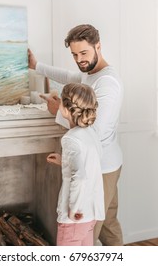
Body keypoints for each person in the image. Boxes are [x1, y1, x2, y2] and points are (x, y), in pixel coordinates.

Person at [28, 24, 124, 246]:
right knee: (109, 225)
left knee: (88, 233)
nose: (79, 59)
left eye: (84, 53)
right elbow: (70, 76)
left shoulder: (107, 83)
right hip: (101, 163)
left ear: (98, 46)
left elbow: (95, 132)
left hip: (101, 168)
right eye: (74, 54)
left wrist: (59, 113)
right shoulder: (91, 73)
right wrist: (37, 66)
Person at [46, 82, 104, 246]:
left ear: (65, 109)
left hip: (75, 219)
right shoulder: (90, 133)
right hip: (90, 215)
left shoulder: (70, 139)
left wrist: (74, 209)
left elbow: (79, 177)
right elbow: (90, 164)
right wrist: (64, 162)